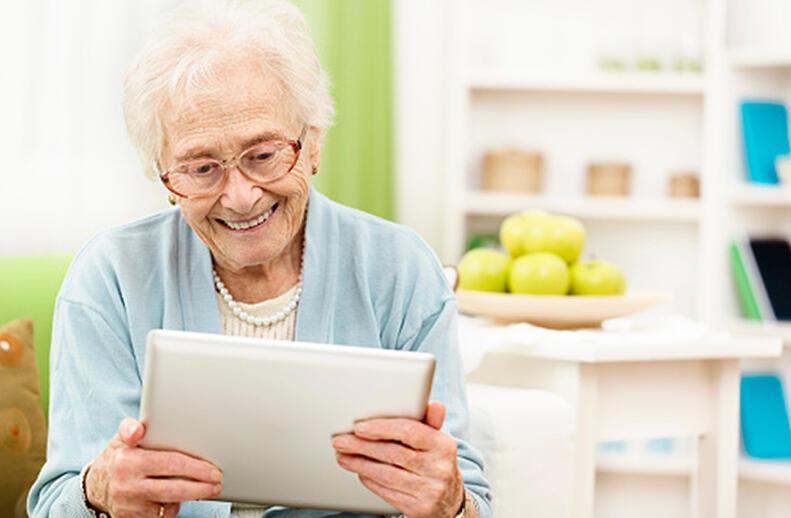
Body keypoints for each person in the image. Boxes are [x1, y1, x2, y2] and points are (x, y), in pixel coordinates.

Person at [28, 1, 490, 517]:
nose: (241, 196)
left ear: (313, 143)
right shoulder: (110, 277)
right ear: (162, 176)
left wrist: (447, 502)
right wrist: (100, 494)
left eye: (263, 155)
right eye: (202, 168)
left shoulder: (400, 269)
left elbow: (469, 500)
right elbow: (56, 503)